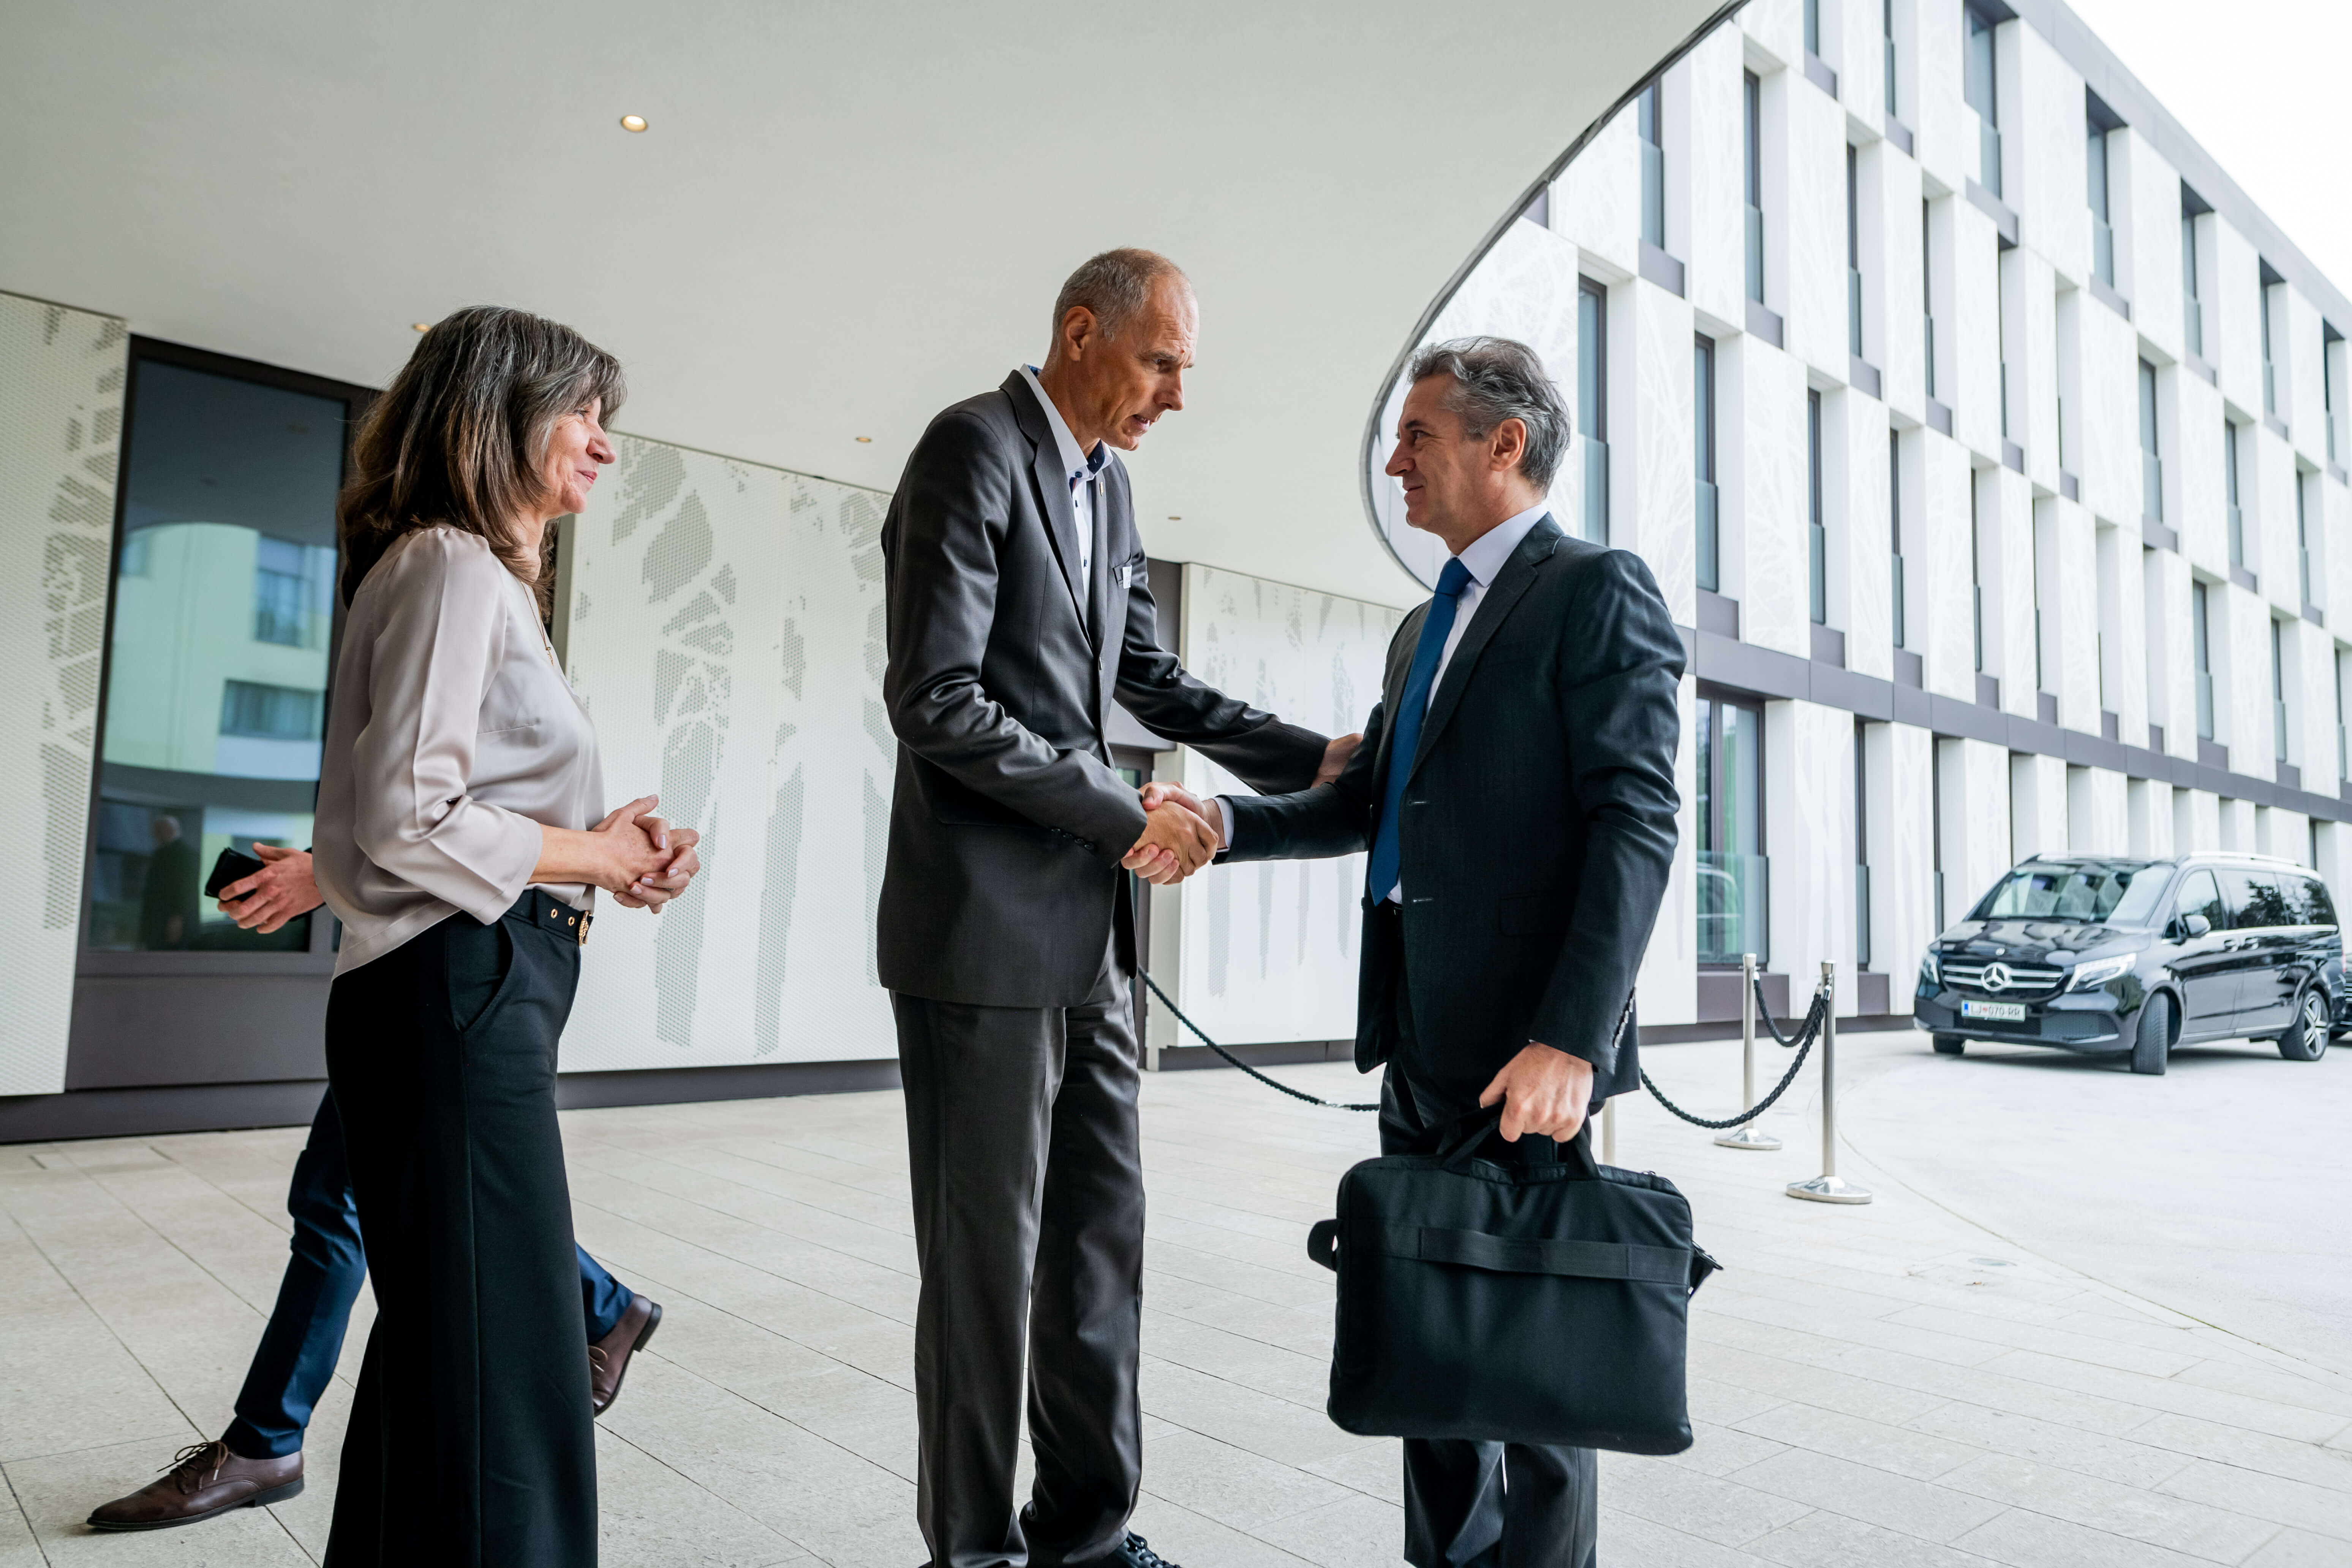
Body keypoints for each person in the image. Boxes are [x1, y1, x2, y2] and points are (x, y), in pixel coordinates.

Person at [1152, 336, 1683, 1568]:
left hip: (1528, 1051)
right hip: (1417, 1031)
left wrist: (1571, 1037)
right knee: (1430, 1335)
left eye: (1418, 436)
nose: (1394, 461)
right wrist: (1223, 821)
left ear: (1507, 444)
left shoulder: (1597, 589)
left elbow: (1638, 821)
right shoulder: (1420, 628)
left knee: (1535, 1354)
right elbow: (1367, 802)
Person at [879, 248, 1355, 1568]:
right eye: (1162, 363)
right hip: (980, 938)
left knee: (1099, 1250)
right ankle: (972, 1555)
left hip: (1092, 940)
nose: (1176, 396)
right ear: (1081, 333)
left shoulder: (1111, 484)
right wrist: (1120, 810)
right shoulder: (971, 449)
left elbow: (1146, 673)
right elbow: (935, 700)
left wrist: (1309, 758)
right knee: (984, 1277)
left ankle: (1085, 1538)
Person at [310, 305, 697, 1566]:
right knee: (507, 1371)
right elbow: (409, 815)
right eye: (583, 412)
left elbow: (441, 803)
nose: (604, 443)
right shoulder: (451, 565)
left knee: (451, 1353)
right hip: (459, 984)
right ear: (499, 413)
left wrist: (604, 845)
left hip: (462, 984)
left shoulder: (457, 576)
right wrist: (597, 857)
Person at [85, 846, 684, 1532]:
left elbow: (441, 821)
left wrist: (327, 869)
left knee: (377, 1201)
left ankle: (267, 1441)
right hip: (408, 965)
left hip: (455, 961)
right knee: (342, 1201)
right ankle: (600, 1304)